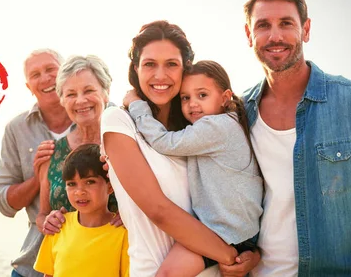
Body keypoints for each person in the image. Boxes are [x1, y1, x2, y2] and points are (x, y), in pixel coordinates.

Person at [241, 0, 351, 276]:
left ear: (306, 29)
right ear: (249, 34)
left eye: (286, 23)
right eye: (263, 25)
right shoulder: (238, 114)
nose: (275, 36)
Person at [99, 20, 245, 277]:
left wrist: (250, 252)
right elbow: (159, 210)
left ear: (184, 69)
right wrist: (229, 255)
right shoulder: (118, 121)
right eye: (149, 64)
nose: (160, 75)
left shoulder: (198, 127)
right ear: (136, 68)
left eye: (171, 65)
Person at [123, 60, 263, 276]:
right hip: (237, 230)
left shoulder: (217, 126)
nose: (192, 104)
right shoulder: (220, 125)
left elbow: (164, 142)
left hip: (225, 230)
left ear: (225, 98)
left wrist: (136, 105)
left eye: (202, 95)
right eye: (185, 98)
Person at [0, 49, 73, 277]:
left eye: (51, 69)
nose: (45, 78)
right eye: (35, 74)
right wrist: (39, 179)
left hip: (89, 260)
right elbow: (4, 202)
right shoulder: (16, 129)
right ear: (28, 86)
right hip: (33, 265)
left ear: (66, 71)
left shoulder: (99, 113)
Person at [34, 55, 118, 234]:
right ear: (62, 100)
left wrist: (132, 217)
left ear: (105, 93)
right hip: (70, 259)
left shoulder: (126, 143)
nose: (80, 101)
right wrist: (48, 222)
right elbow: (42, 215)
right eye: (71, 94)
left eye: (88, 91)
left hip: (123, 255)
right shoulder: (51, 153)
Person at [33, 143, 129, 277]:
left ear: (110, 186)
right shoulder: (58, 226)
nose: (79, 192)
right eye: (72, 184)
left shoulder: (124, 233)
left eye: (90, 182)